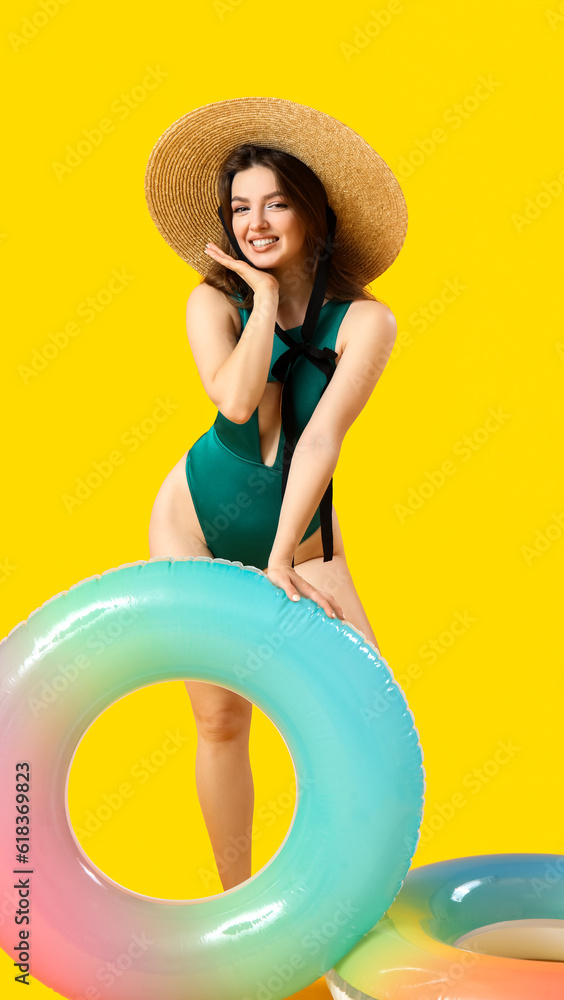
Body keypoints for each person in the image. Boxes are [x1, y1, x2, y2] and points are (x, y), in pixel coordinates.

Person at [143, 97, 407, 891]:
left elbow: (319, 442)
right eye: (239, 209)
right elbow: (233, 401)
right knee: (221, 719)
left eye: (275, 203)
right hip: (193, 517)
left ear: (314, 213)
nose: (255, 222)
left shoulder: (366, 321)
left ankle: (356, 895)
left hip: (300, 530)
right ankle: (238, 905)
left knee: (373, 717)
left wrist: (283, 557)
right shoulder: (209, 302)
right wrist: (258, 299)